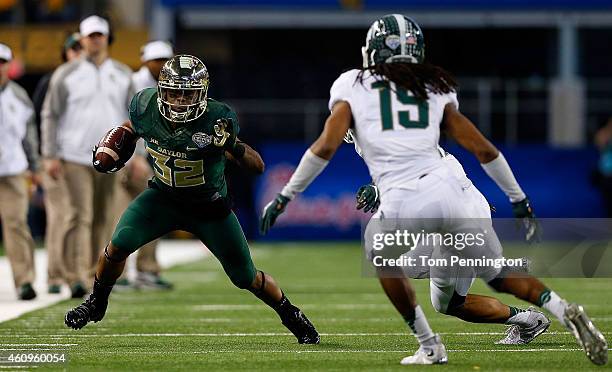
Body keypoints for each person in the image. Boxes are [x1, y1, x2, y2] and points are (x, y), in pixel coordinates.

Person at [262, 14, 608, 366]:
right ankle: (555, 312)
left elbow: (325, 146)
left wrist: (285, 195)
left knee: (381, 256)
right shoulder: (434, 85)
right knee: (485, 281)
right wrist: (518, 199)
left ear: (373, 52)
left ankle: (429, 345)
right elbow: (483, 149)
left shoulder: (353, 85)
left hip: (416, 201)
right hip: (460, 197)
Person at [63, 55, 320, 345]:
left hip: (209, 208)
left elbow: (257, 166)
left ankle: (290, 313)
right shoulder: (145, 106)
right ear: (161, 90)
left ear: (202, 94)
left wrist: (232, 145)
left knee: (245, 277)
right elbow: (133, 127)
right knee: (118, 245)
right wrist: (118, 140)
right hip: (162, 198)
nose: (179, 101)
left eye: (187, 94)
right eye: (173, 92)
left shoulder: (217, 119)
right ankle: (96, 302)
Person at [41, 15, 134, 298]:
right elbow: (50, 114)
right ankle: (75, 276)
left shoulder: (122, 73)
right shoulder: (66, 74)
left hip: (111, 159)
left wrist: (138, 154)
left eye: (99, 35)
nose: (95, 40)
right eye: (90, 36)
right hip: (74, 155)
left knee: (104, 218)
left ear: (107, 38)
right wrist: (50, 154)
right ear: (81, 39)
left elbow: (135, 117)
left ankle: (95, 275)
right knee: (78, 215)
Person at [113, 40, 175, 290]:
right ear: (145, 61)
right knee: (119, 214)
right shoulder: (133, 83)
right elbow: (125, 121)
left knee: (155, 211)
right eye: (156, 60)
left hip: (152, 158)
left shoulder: (172, 85)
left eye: (165, 60)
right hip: (132, 158)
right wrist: (132, 155)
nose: (161, 66)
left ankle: (146, 269)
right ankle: (118, 272)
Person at [32, 32, 82, 294]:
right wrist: (44, 158)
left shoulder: (88, 82)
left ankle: (78, 272)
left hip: (81, 160)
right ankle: (55, 275)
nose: (77, 54)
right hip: (56, 160)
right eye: (73, 50)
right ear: (66, 53)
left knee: (82, 218)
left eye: (80, 49)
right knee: (61, 216)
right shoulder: (51, 81)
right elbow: (40, 121)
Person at [0, 43, 41, 300]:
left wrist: (34, 166)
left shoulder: (19, 96)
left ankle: (24, 280)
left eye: (2, 62)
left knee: (16, 225)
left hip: (12, 169)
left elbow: (29, 135)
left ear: (9, 65)